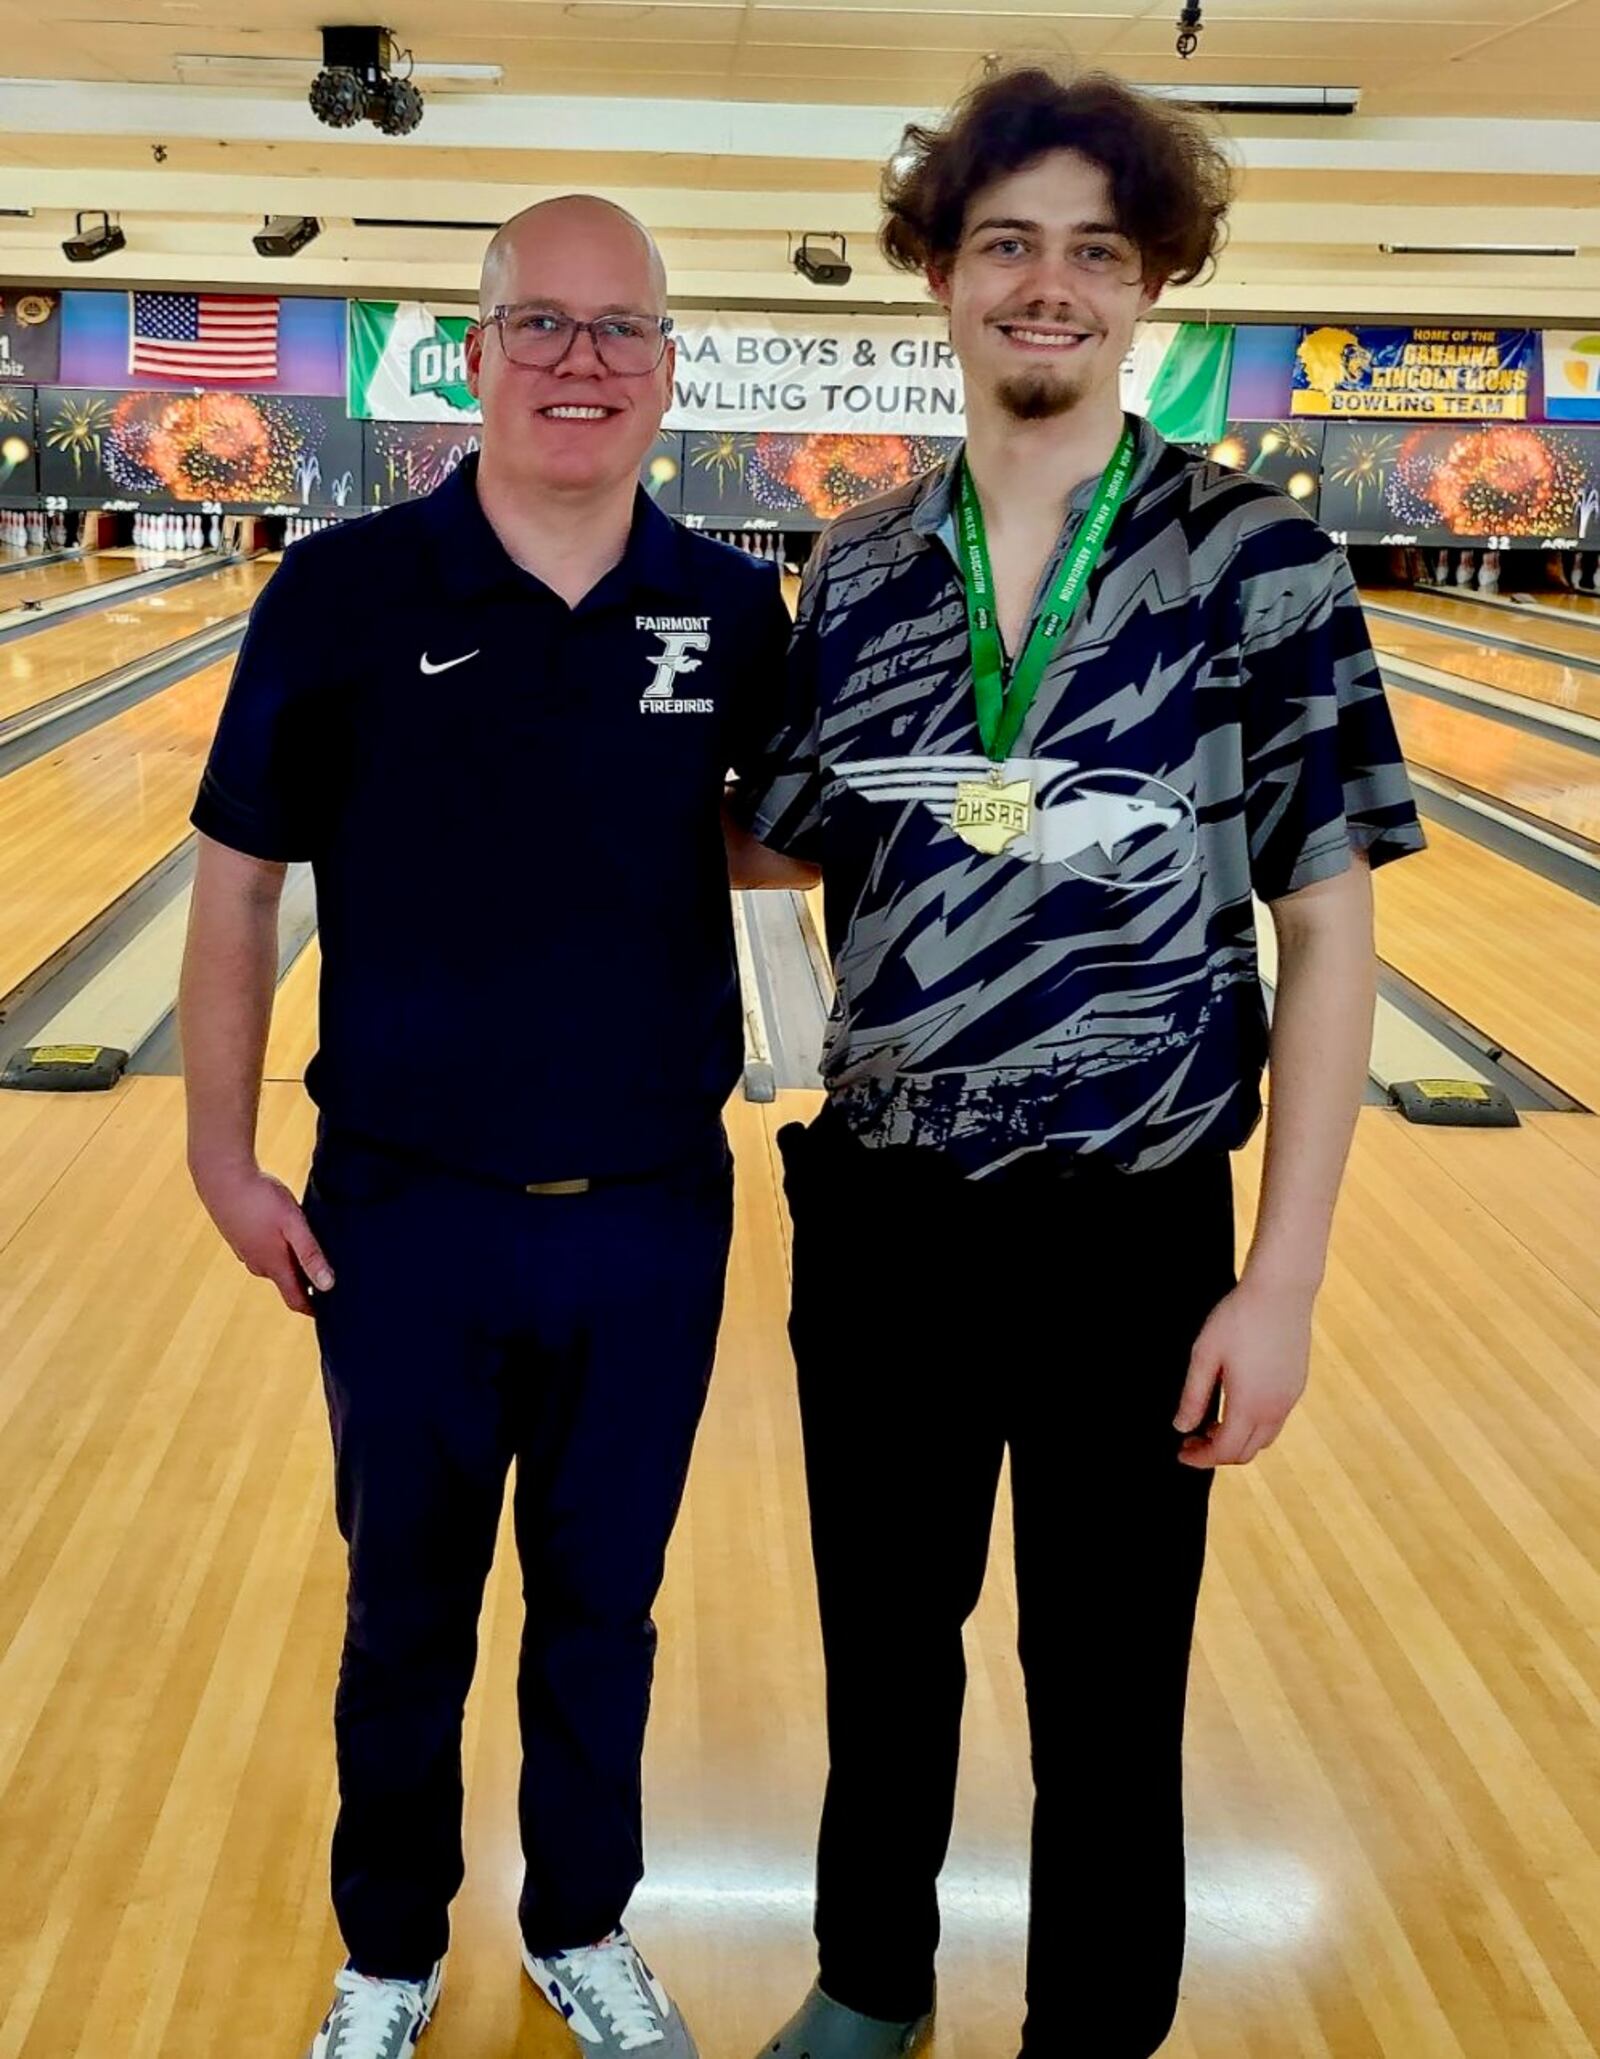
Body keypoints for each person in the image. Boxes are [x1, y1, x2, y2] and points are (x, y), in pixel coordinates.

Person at [735, 67, 1425, 2059]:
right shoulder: (857, 568)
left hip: (1134, 1229)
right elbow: (780, 827)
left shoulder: (1255, 567)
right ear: (940, 277)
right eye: (1006, 245)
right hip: (879, 1214)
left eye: (1092, 255)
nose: (1046, 287)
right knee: (884, 1652)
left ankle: (1088, 2033)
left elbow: (1323, 921)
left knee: (1110, 1683)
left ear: (1150, 291)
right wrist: (504, 774)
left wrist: (1278, 1281)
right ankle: (868, 1988)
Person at [180, 195, 811, 2059]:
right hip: (406, 1216)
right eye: (541, 323)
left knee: (602, 1618)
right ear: (473, 354)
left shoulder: (728, 603)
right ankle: (387, 1955)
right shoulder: (346, 592)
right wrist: (221, 1158)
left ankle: (582, 1925)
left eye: (622, 330)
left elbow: (774, 846)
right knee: (406, 1625)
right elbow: (232, 889)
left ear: (671, 369)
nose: (581, 361)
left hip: (646, 1215)